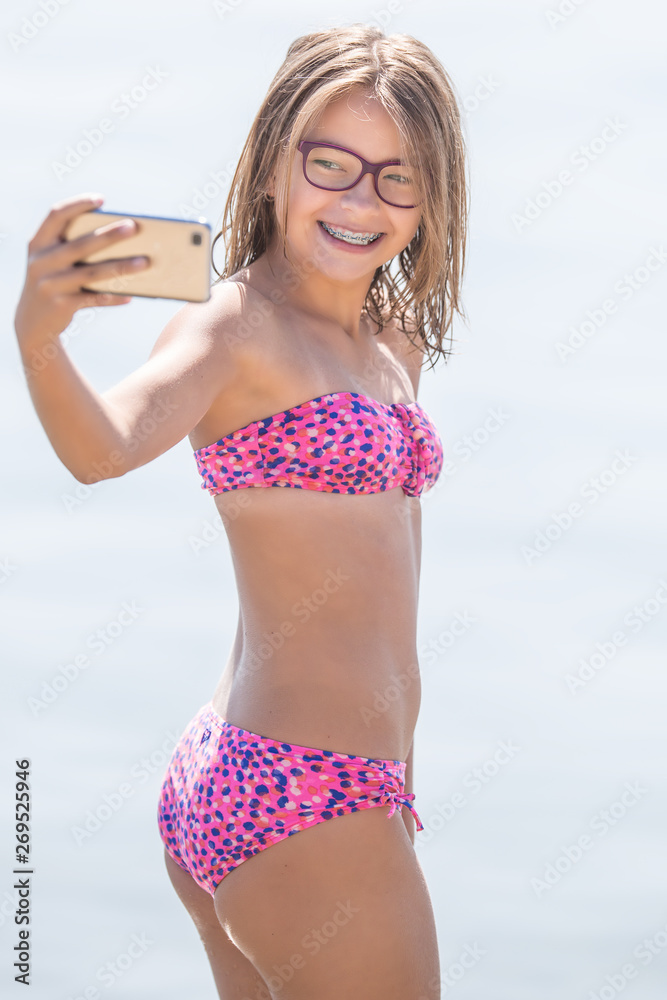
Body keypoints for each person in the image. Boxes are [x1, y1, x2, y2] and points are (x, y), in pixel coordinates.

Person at [14, 23, 468, 1000]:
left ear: (432, 197)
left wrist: (397, 789)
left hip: (283, 780)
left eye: (397, 176)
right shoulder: (235, 326)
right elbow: (106, 446)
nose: (360, 200)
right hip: (305, 796)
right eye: (331, 165)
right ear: (272, 168)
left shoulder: (390, 340)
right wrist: (40, 339)